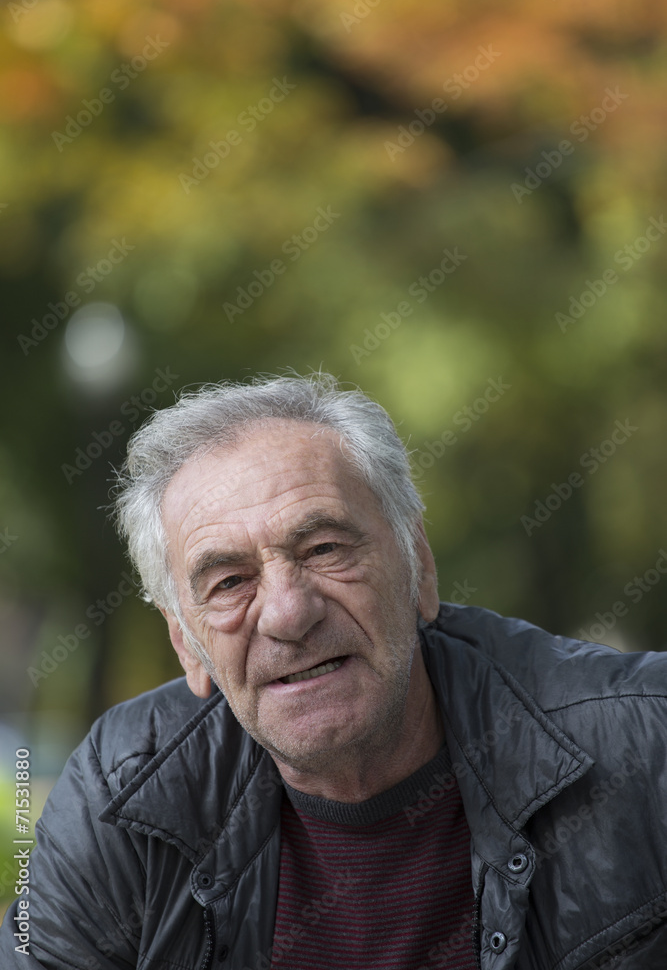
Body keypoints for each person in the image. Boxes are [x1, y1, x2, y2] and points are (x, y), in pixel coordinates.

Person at [2, 372, 666, 970]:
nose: (288, 614)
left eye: (323, 549)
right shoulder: (119, 796)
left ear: (419, 568)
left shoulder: (644, 742)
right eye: (230, 581)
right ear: (185, 643)